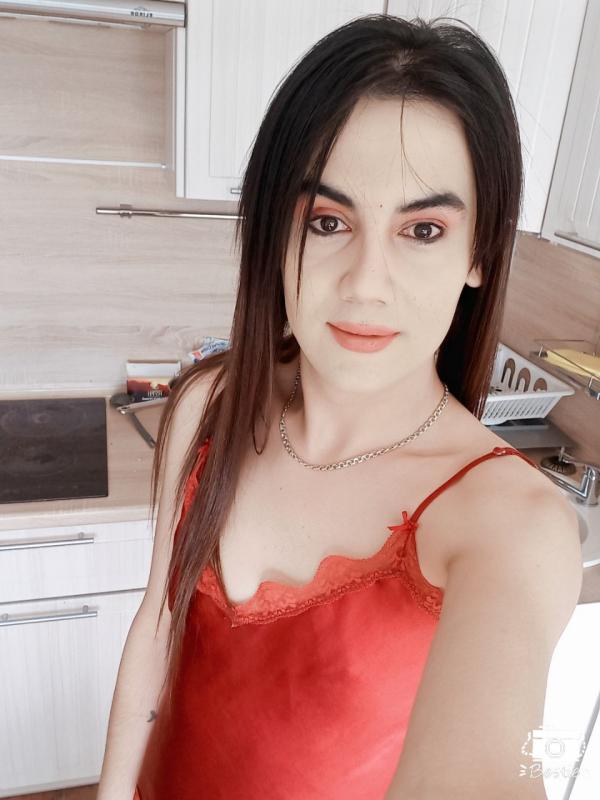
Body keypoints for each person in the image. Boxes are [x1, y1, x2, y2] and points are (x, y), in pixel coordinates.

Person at [97, 13, 582, 800]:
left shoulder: (508, 523)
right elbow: (157, 629)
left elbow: (488, 771)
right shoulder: (208, 406)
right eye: (328, 222)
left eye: (423, 229)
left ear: (480, 252)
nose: (365, 283)